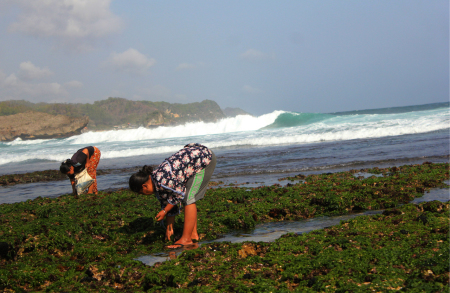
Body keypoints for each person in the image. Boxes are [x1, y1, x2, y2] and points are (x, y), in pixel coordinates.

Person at [129, 143, 216, 249]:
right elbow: (168, 203)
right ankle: (193, 235)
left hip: (204, 159)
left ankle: (186, 239)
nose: (143, 195)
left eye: (141, 193)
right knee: (187, 198)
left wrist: (164, 211)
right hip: (193, 159)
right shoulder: (156, 182)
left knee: (188, 198)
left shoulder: (163, 181)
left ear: (144, 186)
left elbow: (179, 194)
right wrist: (169, 228)